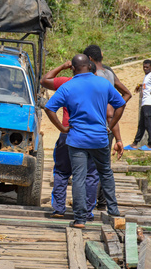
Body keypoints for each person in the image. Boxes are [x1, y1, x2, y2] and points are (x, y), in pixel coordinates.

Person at [44, 54, 126, 229]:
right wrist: (110, 126)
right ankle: (113, 210)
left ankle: (80, 219)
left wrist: (61, 128)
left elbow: (49, 108)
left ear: (73, 68)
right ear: (89, 66)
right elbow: (121, 104)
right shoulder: (103, 83)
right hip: (99, 138)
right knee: (105, 173)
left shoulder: (68, 86)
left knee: (78, 178)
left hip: (76, 140)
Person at [40, 60, 99, 221]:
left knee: (62, 171)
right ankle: (86, 211)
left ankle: (59, 208)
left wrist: (62, 66)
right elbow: (112, 110)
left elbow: (45, 80)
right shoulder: (100, 85)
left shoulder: (67, 82)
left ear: (73, 68)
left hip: (69, 132)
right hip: (93, 135)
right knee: (90, 175)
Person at [84, 44, 132, 210]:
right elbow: (127, 93)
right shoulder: (110, 74)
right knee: (104, 166)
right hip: (109, 126)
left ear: (89, 59)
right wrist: (116, 109)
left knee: (90, 167)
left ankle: (88, 203)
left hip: (95, 126)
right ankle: (103, 203)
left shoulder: (92, 76)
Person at [125, 59, 151, 151]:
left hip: (150, 103)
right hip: (145, 103)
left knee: (149, 123)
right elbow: (148, 85)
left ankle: (150, 144)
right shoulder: (146, 77)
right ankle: (134, 143)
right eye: (144, 67)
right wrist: (140, 86)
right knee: (141, 124)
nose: (145, 69)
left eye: (147, 67)